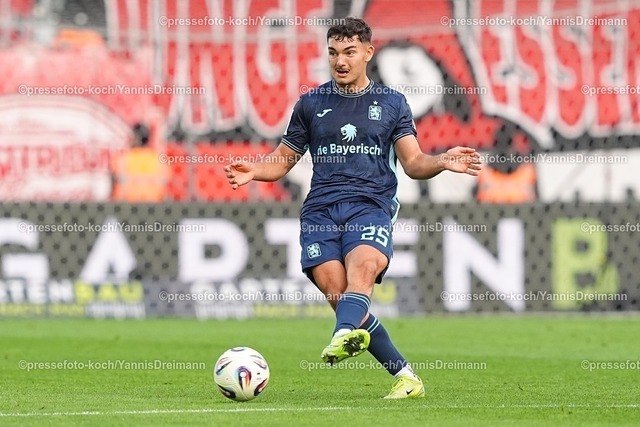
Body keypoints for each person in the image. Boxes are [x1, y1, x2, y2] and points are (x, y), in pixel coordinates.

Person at [224, 17, 481, 399]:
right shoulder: (311, 104)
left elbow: (413, 163)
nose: (340, 61)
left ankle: (342, 334)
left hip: (371, 205)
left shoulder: (392, 103)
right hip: (320, 212)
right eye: (333, 53)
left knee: (362, 270)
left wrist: (442, 160)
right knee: (340, 294)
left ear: (368, 53)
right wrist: (255, 170)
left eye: (349, 52)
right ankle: (407, 378)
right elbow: (283, 160)